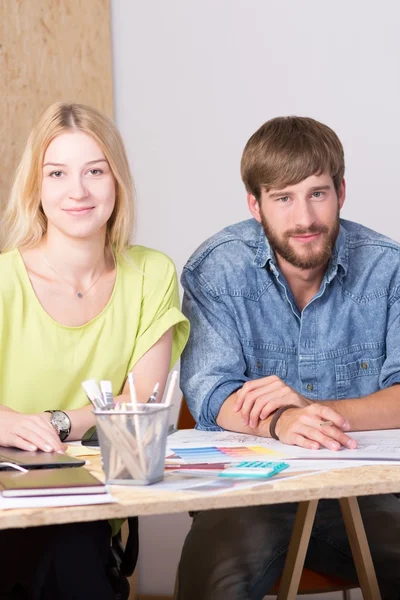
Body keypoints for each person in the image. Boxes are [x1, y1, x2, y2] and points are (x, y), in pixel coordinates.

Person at [177, 116, 400, 600]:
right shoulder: (217, 268)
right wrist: (282, 421)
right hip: (251, 494)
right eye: (283, 198)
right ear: (255, 205)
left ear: (341, 191)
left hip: (367, 491)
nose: (304, 218)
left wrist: (314, 412)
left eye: (318, 193)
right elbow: (211, 393)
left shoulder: (388, 267)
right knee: (211, 584)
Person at [0, 102, 189, 599]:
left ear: (117, 182)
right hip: (8, 502)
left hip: (89, 505)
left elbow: (140, 407)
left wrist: (55, 422)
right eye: (57, 173)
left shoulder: (152, 275)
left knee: (74, 545)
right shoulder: (3, 282)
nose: (78, 191)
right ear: (36, 187)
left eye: (95, 172)